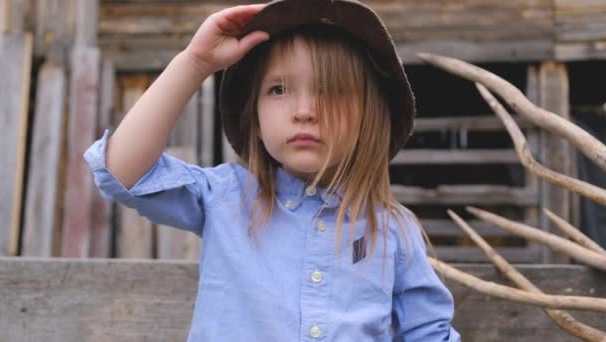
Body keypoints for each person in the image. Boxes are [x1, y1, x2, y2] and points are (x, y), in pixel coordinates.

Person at [84, 0, 461, 340]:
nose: (304, 110)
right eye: (278, 89)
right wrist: (195, 63)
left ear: (370, 116)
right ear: (256, 115)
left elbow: (428, 333)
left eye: (330, 90)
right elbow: (123, 173)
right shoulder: (226, 197)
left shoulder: (393, 231)